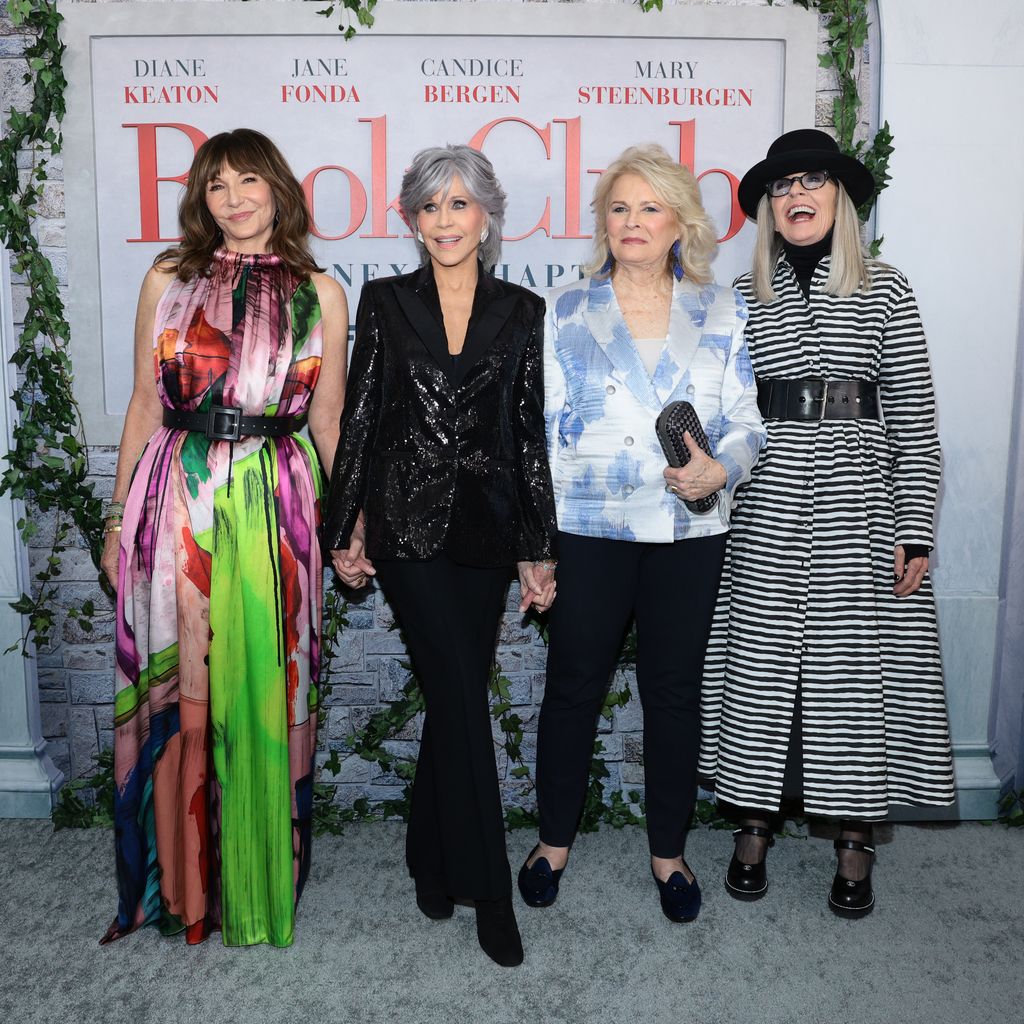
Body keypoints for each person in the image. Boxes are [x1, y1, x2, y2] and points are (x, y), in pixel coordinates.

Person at [98, 128, 348, 947]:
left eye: (248, 181)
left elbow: (329, 416)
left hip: (278, 497)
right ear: (200, 199)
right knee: (184, 689)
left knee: (267, 687)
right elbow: (142, 401)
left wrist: (348, 524)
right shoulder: (168, 277)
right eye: (216, 186)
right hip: (174, 496)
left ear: (279, 187)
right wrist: (116, 519)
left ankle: (256, 876)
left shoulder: (322, 289)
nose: (234, 198)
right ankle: (184, 884)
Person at [699, 129, 955, 917]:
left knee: (851, 687)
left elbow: (914, 416)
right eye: (781, 188)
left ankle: (854, 839)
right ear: (768, 210)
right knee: (764, 675)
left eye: (811, 182)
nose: (796, 197)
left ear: (839, 197)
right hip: (766, 508)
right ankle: (752, 823)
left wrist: (914, 527)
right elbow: (717, 412)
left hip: (861, 511)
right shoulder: (741, 297)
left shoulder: (886, 288)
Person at [321, 144, 558, 967]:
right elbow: (358, 421)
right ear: (413, 220)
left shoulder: (524, 311)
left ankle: (428, 854)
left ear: (486, 216)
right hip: (408, 529)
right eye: (431, 206)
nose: (446, 220)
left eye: (461, 205)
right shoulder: (383, 302)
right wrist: (340, 526)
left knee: (452, 699)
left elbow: (528, 437)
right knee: (460, 696)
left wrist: (538, 547)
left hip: (487, 535)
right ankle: (491, 893)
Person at [517, 144, 765, 923]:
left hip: (689, 532)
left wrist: (720, 471)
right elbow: (542, 434)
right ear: (604, 223)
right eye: (619, 208)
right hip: (588, 527)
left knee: (673, 694)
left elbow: (748, 422)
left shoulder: (723, 308)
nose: (632, 222)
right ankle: (552, 841)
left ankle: (669, 853)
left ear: (679, 223)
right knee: (571, 691)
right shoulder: (563, 306)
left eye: (649, 207)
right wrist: (537, 543)